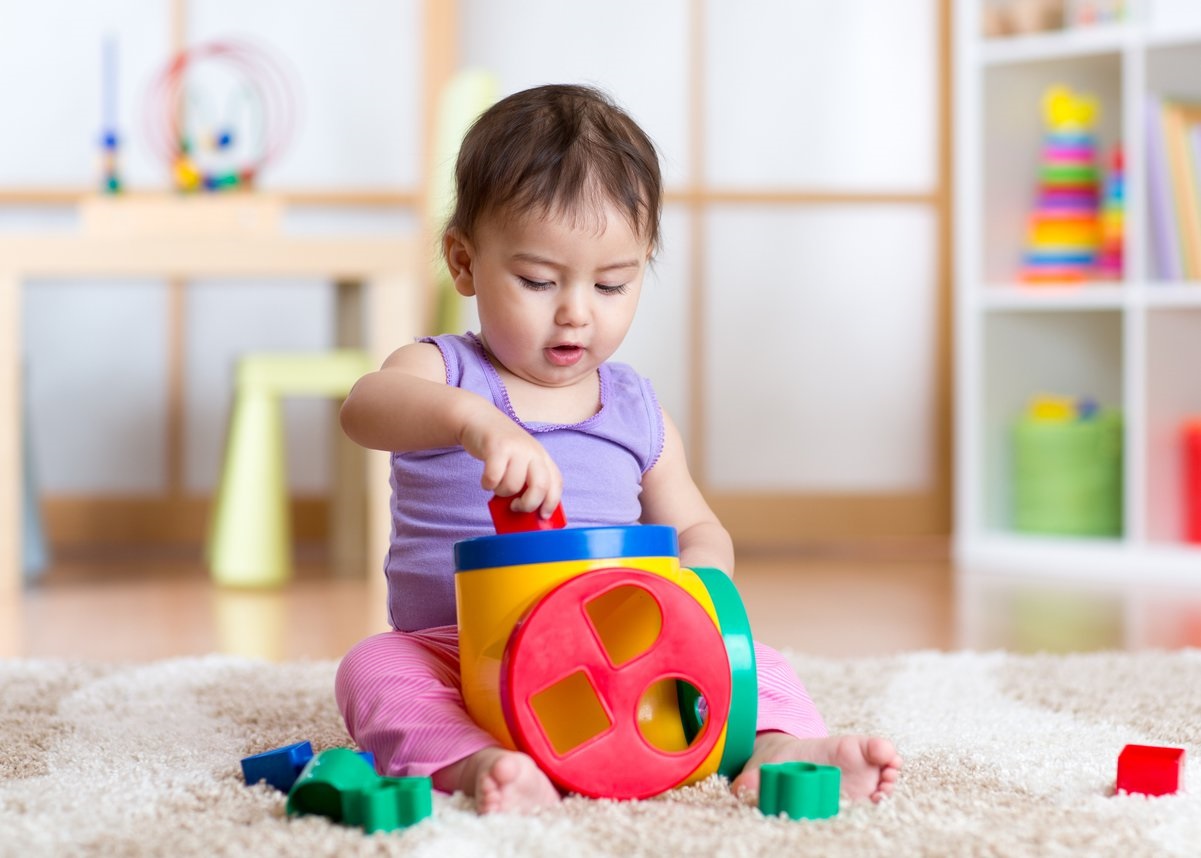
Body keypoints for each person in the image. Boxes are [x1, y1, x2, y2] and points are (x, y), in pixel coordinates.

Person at [335, 83, 901, 814]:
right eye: (538, 280)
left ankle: (774, 748)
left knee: (756, 661)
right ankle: (479, 764)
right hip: (459, 649)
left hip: (616, 657)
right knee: (372, 667)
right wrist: (473, 423)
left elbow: (697, 525)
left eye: (610, 284)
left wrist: (695, 587)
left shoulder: (635, 410)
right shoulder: (442, 373)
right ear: (464, 262)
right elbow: (364, 410)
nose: (575, 311)